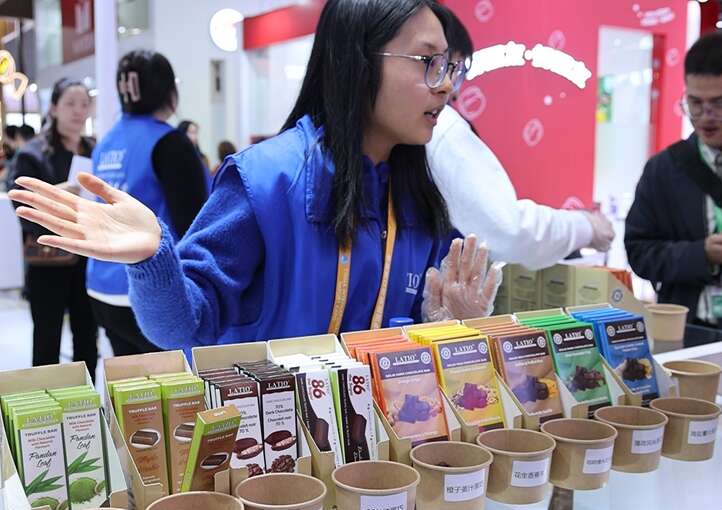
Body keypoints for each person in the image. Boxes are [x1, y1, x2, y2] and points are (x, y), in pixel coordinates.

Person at [10, 0, 502, 353]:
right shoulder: (266, 181)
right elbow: (184, 326)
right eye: (429, 62)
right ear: (358, 61)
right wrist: (153, 258)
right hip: (272, 456)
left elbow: (410, 340)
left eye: (451, 67)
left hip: (382, 456)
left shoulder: (418, 198)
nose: (446, 86)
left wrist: (447, 330)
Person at [426, 6, 615, 271]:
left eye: (455, 72)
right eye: (450, 68)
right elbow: (507, 230)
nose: (449, 87)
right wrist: (585, 227)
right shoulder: (442, 126)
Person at [85, 50, 208, 356]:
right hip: (151, 291)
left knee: (129, 380)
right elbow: (195, 223)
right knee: (176, 382)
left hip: (101, 285)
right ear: (169, 91)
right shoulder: (169, 142)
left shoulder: (105, 143)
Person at [625, 31, 722, 326]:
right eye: (695, 103)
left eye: (719, 103)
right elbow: (639, 252)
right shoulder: (663, 170)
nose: (706, 116)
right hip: (688, 328)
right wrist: (700, 254)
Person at [9, 78, 98, 376]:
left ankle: (86, 400)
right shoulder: (33, 153)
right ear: (54, 107)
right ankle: (46, 401)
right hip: (49, 260)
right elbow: (21, 206)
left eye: (84, 104)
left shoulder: (94, 149)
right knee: (47, 341)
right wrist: (60, 194)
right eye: (70, 103)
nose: (78, 111)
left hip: (89, 258)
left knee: (88, 338)